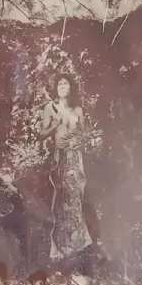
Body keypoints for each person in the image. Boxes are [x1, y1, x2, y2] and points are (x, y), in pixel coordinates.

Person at [38, 75, 94, 261]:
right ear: (56, 87)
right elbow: (42, 133)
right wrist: (55, 125)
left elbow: (85, 133)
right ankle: (61, 247)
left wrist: (84, 140)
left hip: (75, 157)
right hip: (60, 158)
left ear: (71, 88)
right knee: (62, 200)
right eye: (60, 83)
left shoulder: (77, 109)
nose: (63, 86)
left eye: (66, 83)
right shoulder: (50, 108)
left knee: (76, 198)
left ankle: (78, 244)